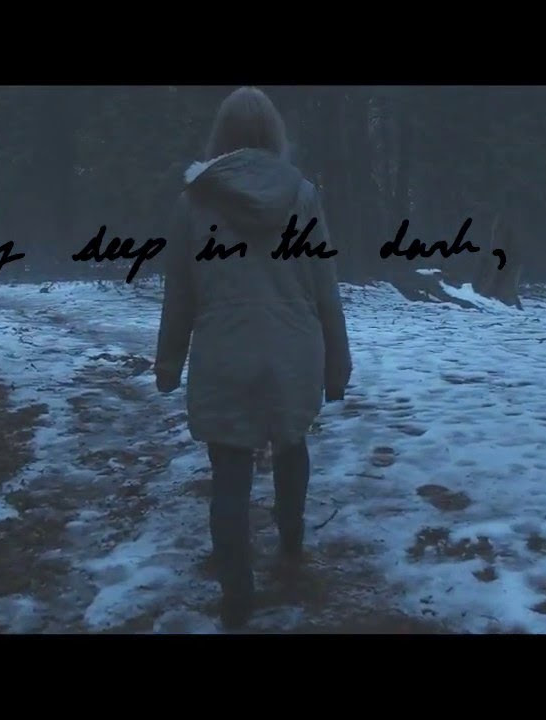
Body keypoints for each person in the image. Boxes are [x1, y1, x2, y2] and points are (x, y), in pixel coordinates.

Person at [154, 87, 352, 630]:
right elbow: (324, 284)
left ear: (221, 134)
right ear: (273, 133)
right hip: (294, 347)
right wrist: (337, 362)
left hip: (225, 350)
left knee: (230, 470)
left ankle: (236, 594)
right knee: (291, 444)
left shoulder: (195, 200)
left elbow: (180, 292)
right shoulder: (303, 196)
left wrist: (168, 362)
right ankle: (291, 544)